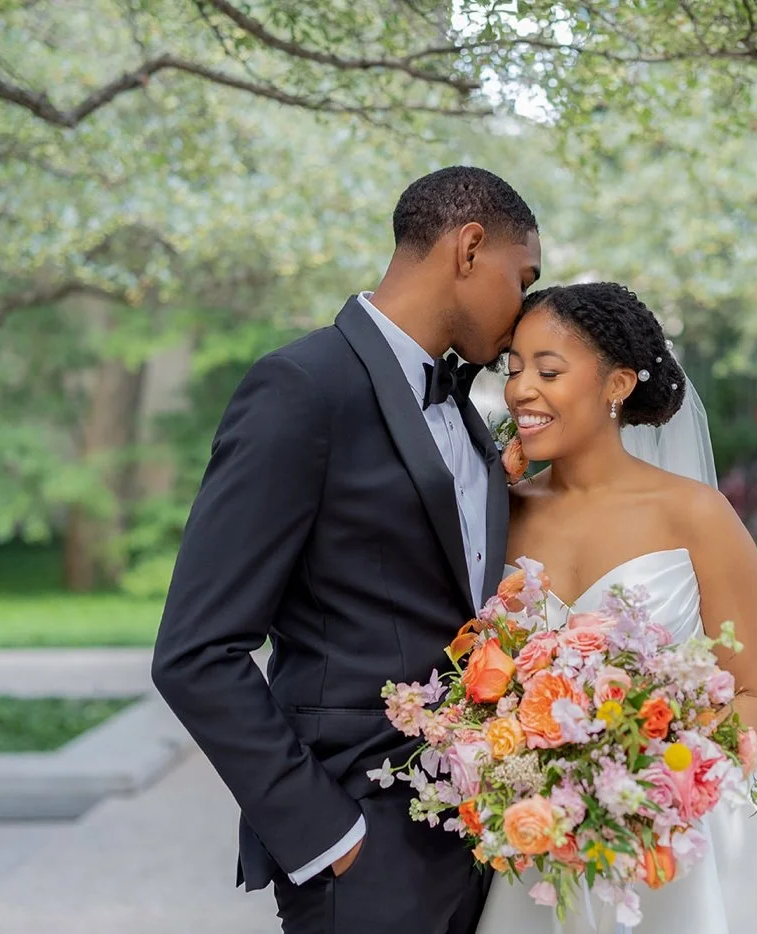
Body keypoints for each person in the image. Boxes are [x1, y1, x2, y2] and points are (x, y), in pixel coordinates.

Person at [152, 166, 542, 934]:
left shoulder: (463, 412)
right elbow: (195, 651)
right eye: (521, 277)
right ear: (468, 249)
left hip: (472, 835)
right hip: (362, 849)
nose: (524, 306)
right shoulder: (301, 387)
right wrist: (328, 836)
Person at [475, 282, 757, 934]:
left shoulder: (694, 514)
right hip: (542, 842)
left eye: (548, 371)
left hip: (690, 838)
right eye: (513, 370)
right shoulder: (499, 510)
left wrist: (642, 786)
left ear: (616, 385)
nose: (521, 389)